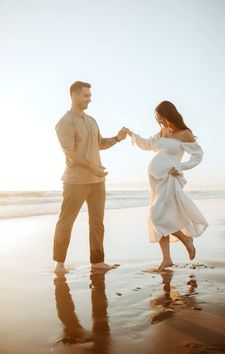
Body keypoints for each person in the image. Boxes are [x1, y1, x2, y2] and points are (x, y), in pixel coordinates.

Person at [53, 81, 127, 275]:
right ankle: (59, 263)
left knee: (97, 222)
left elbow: (99, 144)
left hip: (97, 181)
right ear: (74, 95)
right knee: (66, 221)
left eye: (90, 96)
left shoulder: (92, 120)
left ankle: (97, 261)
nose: (89, 99)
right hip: (75, 181)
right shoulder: (65, 122)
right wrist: (92, 167)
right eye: (86, 96)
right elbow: (69, 152)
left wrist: (118, 138)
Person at [125, 101, 208, 272]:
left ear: (168, 114)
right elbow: (147, 144)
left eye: (161, 116)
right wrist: (131, 134)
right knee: (158, 217)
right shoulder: (163, 132)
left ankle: (187, 239)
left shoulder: (185, 134)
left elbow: (198, 155)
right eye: (157, 117)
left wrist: (180, 167)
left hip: (169, 179)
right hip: (155, 181)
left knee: (157, 216)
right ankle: (167, 259)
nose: (159, 120)